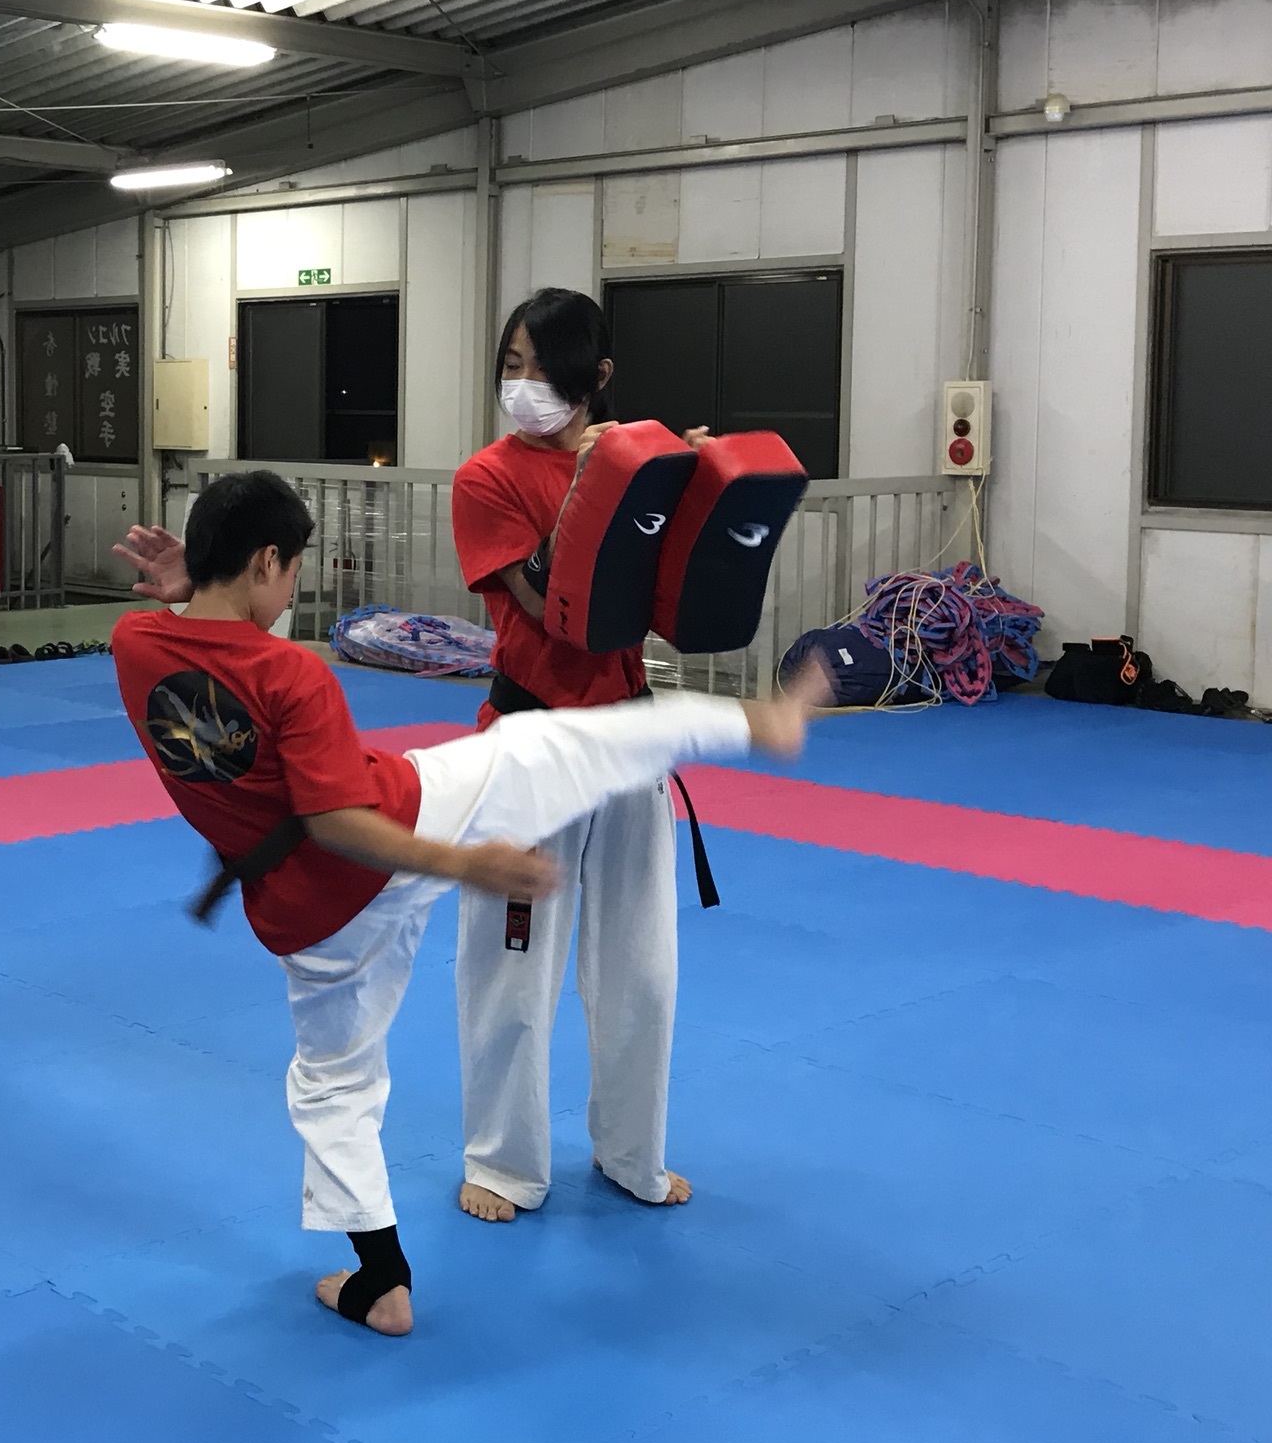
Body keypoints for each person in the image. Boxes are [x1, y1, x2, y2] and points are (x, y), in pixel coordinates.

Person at [113, 474, 822, 1337]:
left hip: (307, 917)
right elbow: (337, 820)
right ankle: (755, 722)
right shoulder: (293, 673)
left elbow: (207, 655)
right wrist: (468, 866)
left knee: (332, 1083)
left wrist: (189, 592)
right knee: (553, 741)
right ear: (267, 561)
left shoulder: (134, 642)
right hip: (404, 828)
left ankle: (382, 1281)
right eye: (292, 570)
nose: (292, 591)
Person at [449, 287, 713, 1226]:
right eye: (510, 365)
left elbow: (680, 602)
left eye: (542, 367)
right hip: (531, 741)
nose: (522, 384)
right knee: (512, 965)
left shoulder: (638, 464)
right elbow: (545, 605)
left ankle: (633, 1151)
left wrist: (690, 489)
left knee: (643, 969)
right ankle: (502, 1162)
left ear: (596, 376)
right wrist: (596, 491)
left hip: (629, 741)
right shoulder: (486, 479)